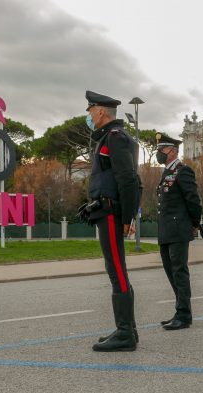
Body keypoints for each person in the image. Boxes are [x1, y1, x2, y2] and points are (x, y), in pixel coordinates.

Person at [82, 90, 142, 351]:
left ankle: (125, 333)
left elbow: (128, 179)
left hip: (112, 213)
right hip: (106, 211)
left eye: (90, 111)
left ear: (101, 112)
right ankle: (128, 328)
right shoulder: (109, 137)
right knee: (115, 268)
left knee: (116, 269)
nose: (89, 116)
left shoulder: (115, 138)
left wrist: (128, 217)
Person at [155, 132, 203, 330]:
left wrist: (194, 224)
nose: (159, 153)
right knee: (170, 271)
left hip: (179, 229)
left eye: (162, 150)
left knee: (179, 272)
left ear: (173, 151)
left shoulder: (183, 171)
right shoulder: (166, 172)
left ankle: (184, 315)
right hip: (166, 230)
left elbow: (193, 201)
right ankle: (180, 310)